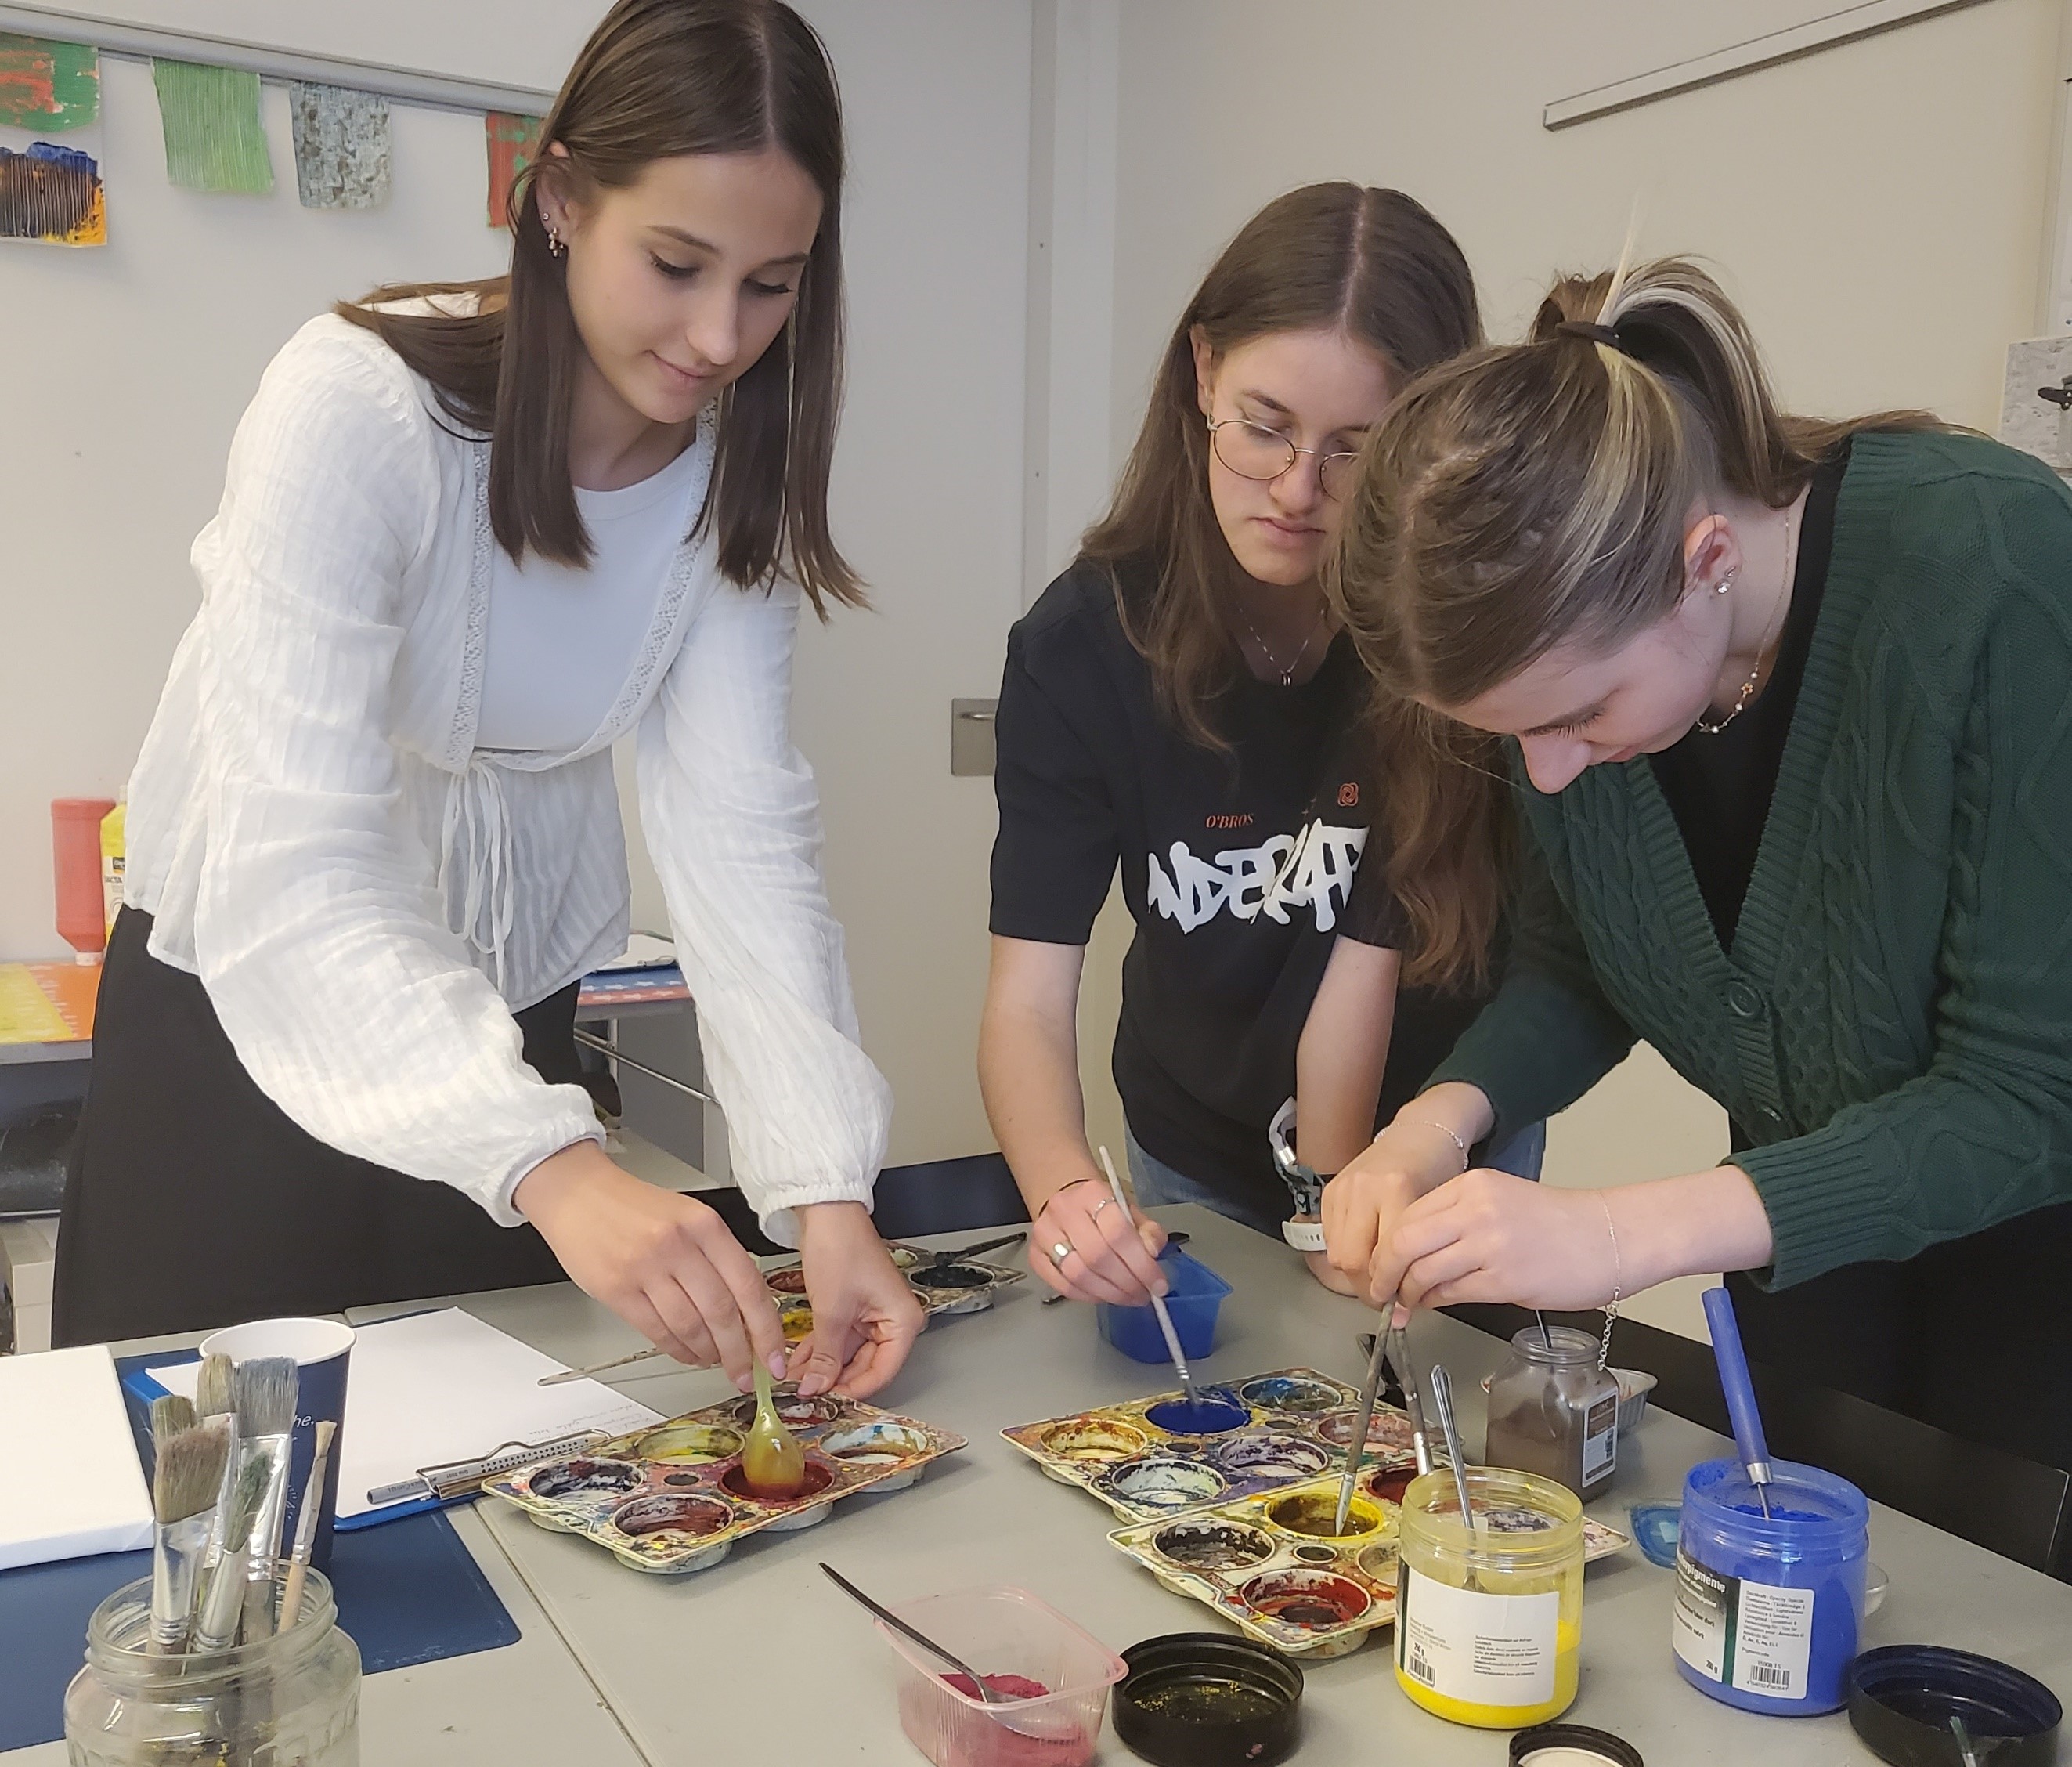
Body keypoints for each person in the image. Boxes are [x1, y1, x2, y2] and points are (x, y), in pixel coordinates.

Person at [52, 0, 922, 1400]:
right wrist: (555, 1167)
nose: (719, 335)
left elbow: (742, 840)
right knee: (203, 1468)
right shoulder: (356, 403)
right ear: (562, 198)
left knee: (496, 1463)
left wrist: (826, 1191)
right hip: (243, 1009)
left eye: (772, 284)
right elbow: (297, 859)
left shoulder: (725, 485)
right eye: (676, 264)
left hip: (513, 1017)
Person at [1322, 255, 2072, 1469]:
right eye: (1513, 736)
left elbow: (2029, 1095)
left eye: (1577, 715)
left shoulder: (1994, 565)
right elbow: (1582, 964)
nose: (1547, 773)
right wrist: (1432, 1125)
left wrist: (1618, 1234)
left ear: (1704, 558)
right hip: (1811, 1263)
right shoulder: (1566, 652)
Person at [979, 184, 1511, 1309]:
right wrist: (1065, 1195)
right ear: (1202, 371)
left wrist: (1332, 1198)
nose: (1296, 490)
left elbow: (1370, 960)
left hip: (1439, 1143)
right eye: (1264, 426)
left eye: (1355, 450)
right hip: (1194, 1142)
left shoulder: (1448, 636)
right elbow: (1027, 997)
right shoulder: (1082, 646)